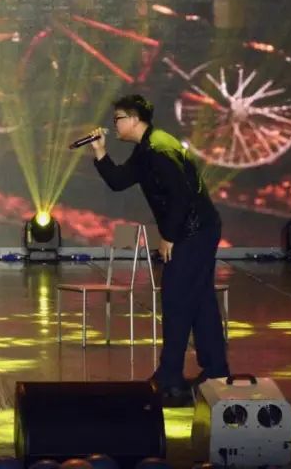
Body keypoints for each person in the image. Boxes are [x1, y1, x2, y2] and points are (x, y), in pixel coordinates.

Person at [87, 94, 230, 403]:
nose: (115, 125)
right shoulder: (146, 148)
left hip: (194, 231)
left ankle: (170, 377)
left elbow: (181, 196)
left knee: (177, 299)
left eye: (118, 119)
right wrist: (100, 152)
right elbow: (119, 181)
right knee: (200, 300)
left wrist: (169, 236)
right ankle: (216, 370)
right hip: (196, 229)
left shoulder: (159, 149)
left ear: (134, 119)